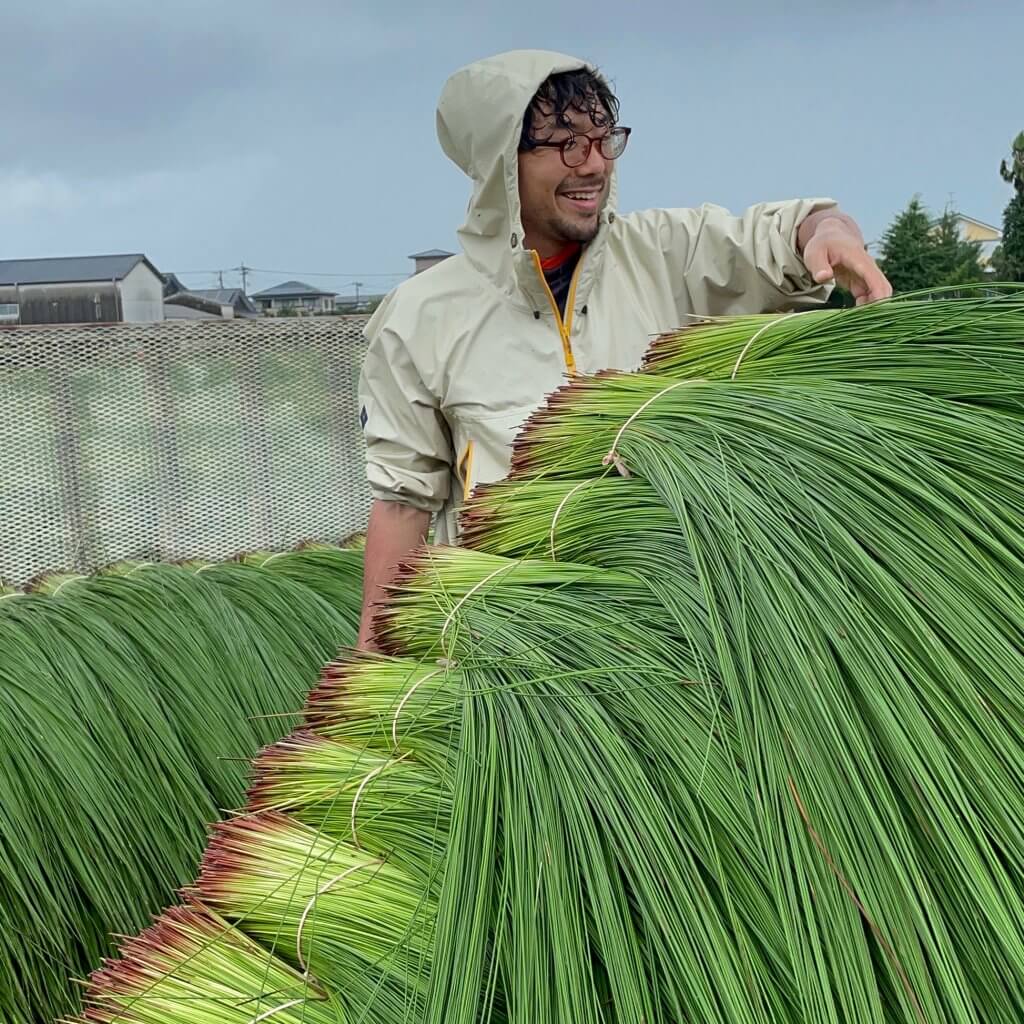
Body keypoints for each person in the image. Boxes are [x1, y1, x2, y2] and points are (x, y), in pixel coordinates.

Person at [356, 49, 891, 649]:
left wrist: (828, 232)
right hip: (513, 647)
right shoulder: (419, 318)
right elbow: (403, 503)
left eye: (603, 139)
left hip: (677, 629)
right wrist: (374, 667)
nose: (593, 165)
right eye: (566, 144)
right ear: (500, 162)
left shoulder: (665, 253)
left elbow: (783, 234)